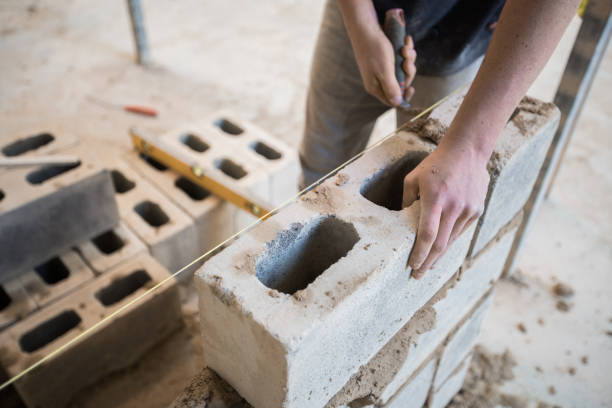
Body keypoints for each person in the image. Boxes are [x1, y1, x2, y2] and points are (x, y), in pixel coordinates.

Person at [299, 0, 579, 278]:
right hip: (361, 12)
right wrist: (361, 23)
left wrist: (471, 148)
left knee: (425, 210)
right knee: (321, 162)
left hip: (463, 32)